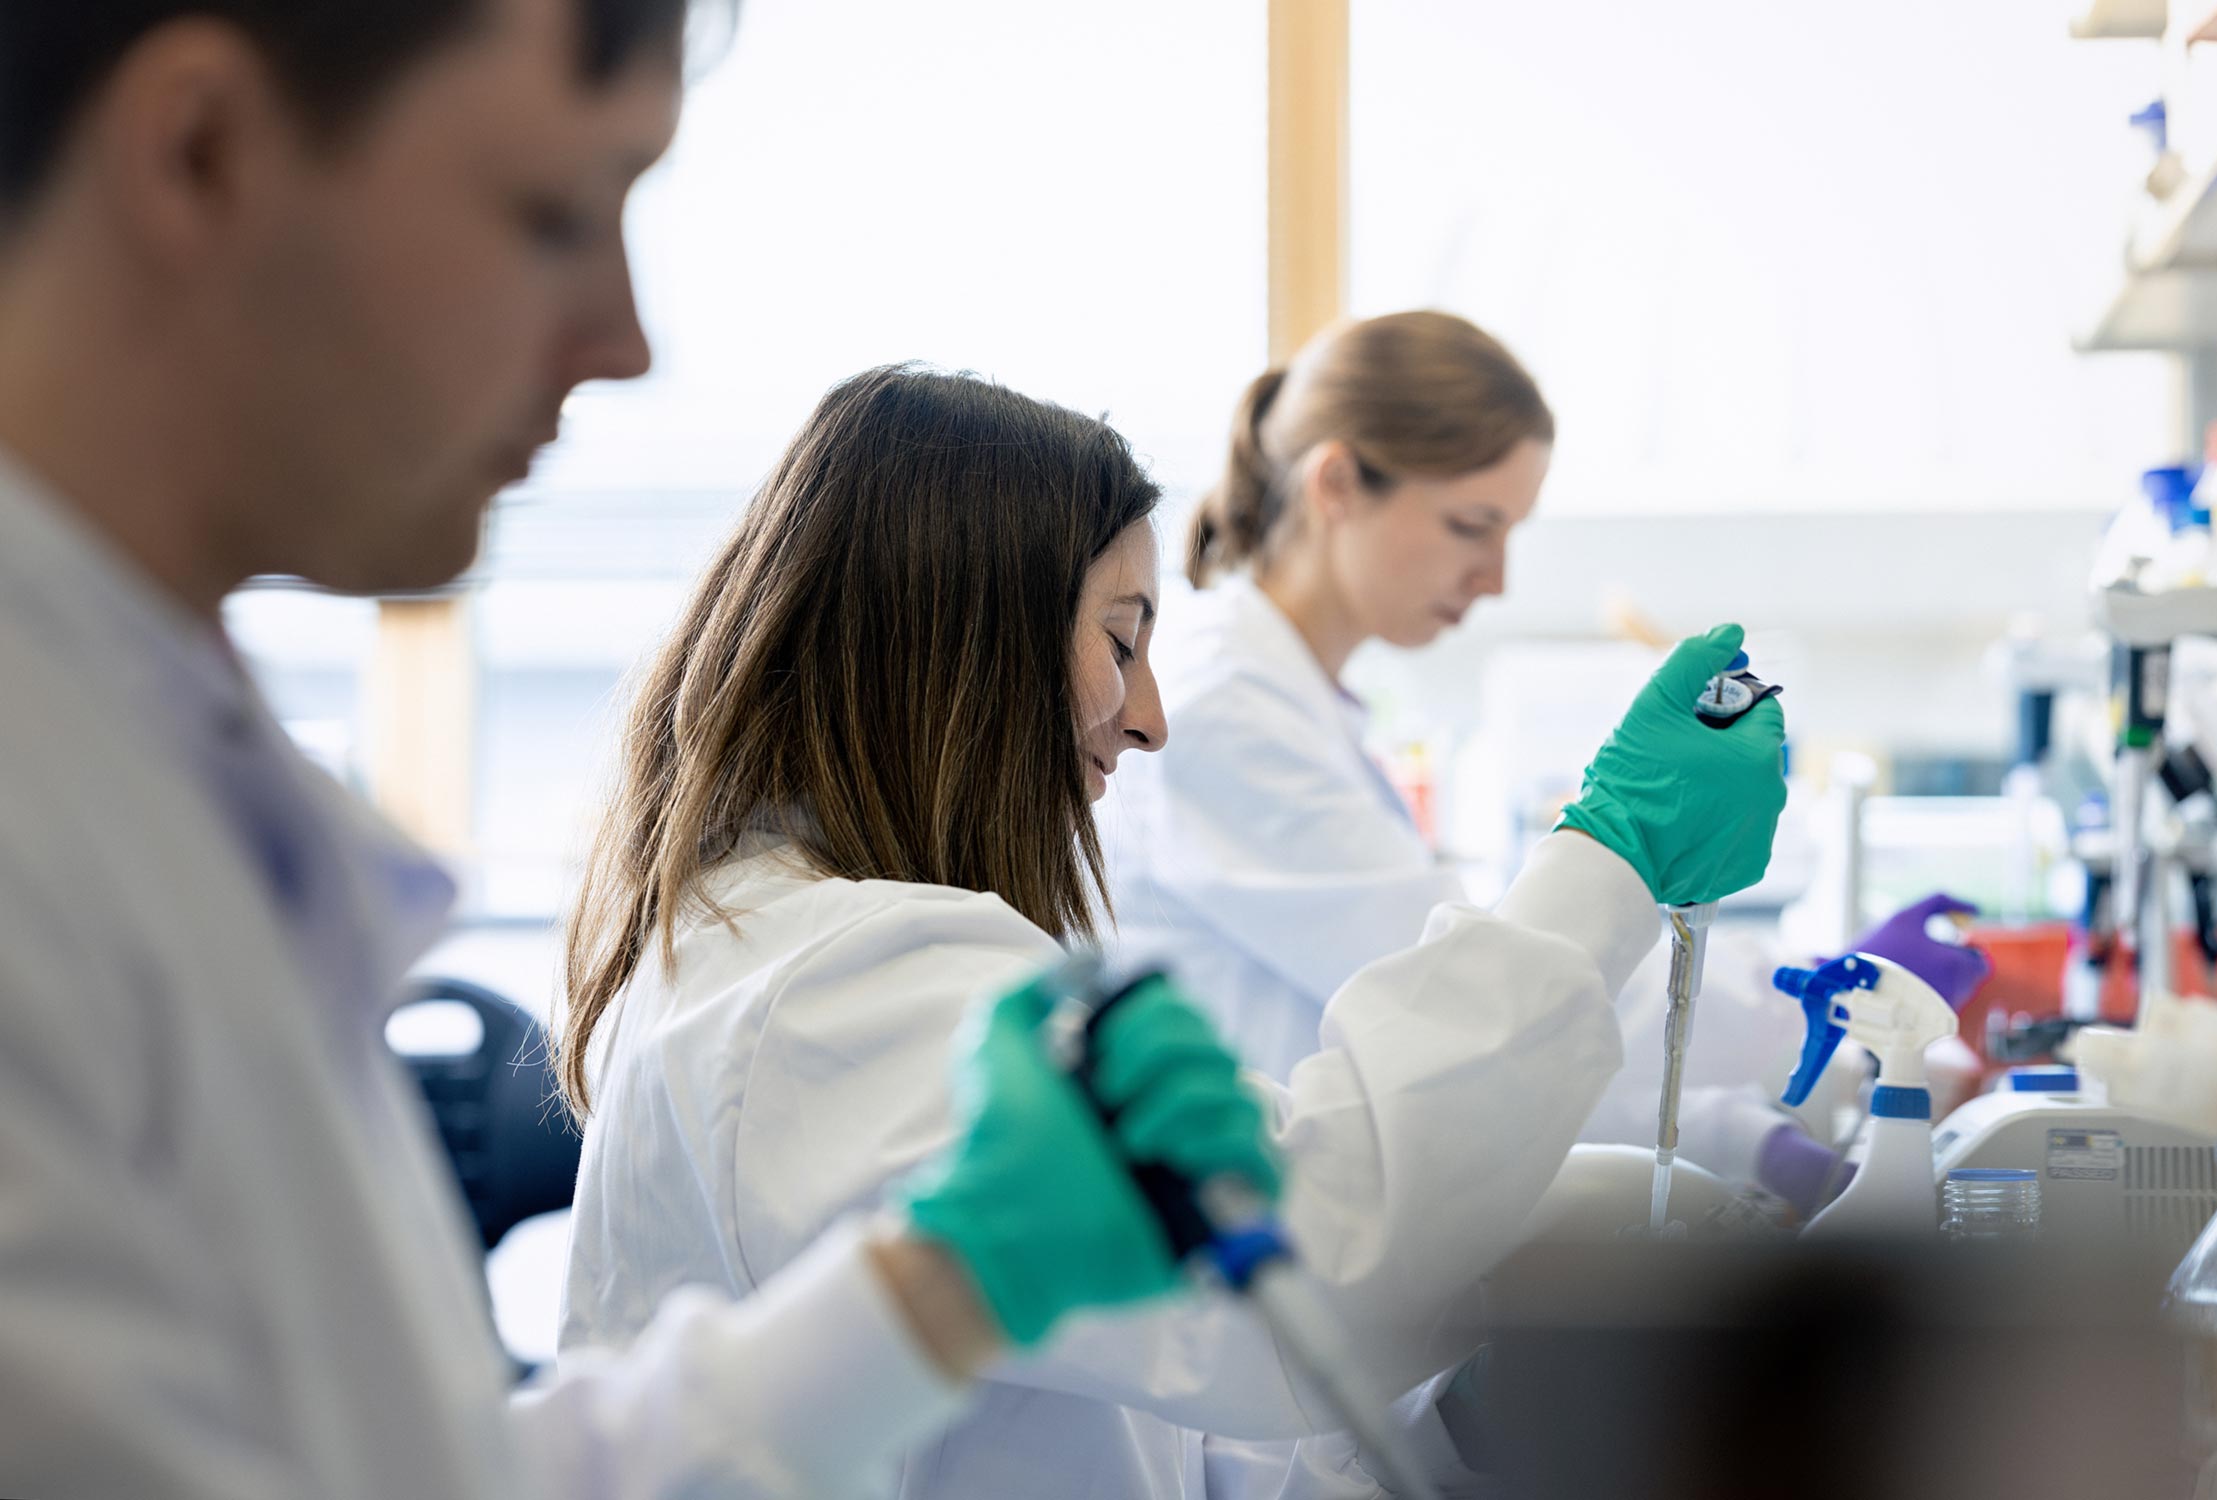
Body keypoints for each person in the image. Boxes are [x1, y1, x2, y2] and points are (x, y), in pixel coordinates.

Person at [0, 5, 1280, 1497]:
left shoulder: (152, 755)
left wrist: (943, 1290)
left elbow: (422, 1474)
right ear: (202, 151)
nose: (623, 340)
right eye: (552, 213)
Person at [553, 361, 1789, 1499]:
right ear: (958, 640)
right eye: (1119, 641)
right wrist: (1612, 856)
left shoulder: (805, 949)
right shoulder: (843, 986)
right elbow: (1313, 1250)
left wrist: (1449, 1431)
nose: (1148, 718)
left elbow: (1142, 1430)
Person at [1099, 311, 1985, 1204]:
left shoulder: (1293, 699)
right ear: (1336, 483)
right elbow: (1476, 1008)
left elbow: (1478, 1052)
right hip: (1248, 1256)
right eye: (1472, 525)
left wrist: (1732, 1132)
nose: (1496, 578)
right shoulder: (1221, 708)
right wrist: (1806, 998)